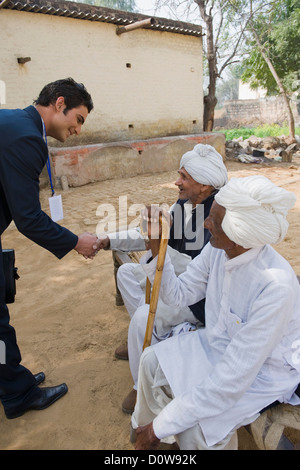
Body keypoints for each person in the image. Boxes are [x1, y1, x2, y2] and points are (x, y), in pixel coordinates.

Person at [130, 175, 300, 450]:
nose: (206, 225)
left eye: (215, 222)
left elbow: (231, 381)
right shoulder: (217, 250)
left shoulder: (275, 286)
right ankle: (147, 433)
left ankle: (160, 432)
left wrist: (159, 428)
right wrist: (155, 245)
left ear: (237, 238)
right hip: (217, 344)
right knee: (151, 360)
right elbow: (178, 295)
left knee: (201, 428)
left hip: (261, 373)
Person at [95, 144, 228, 413]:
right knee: (127, 273)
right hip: (171, 278)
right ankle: (144, 340)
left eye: (184, 177)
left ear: (204, 186)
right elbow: (150, 237)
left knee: (145, 316)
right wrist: (109, 240)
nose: (177, 182)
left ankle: (140, 385)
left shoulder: (218, 216)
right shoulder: (185, 203)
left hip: (195, 300)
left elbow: (195, 272)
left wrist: (158, 246)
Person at [0, 78, 99, 419]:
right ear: (60, 104)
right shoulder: (27, 138)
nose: (79, 129)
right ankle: (16, 393)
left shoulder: (13, 120)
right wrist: (75, 242)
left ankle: (12, 379)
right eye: (79, 119)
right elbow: (27, 218)